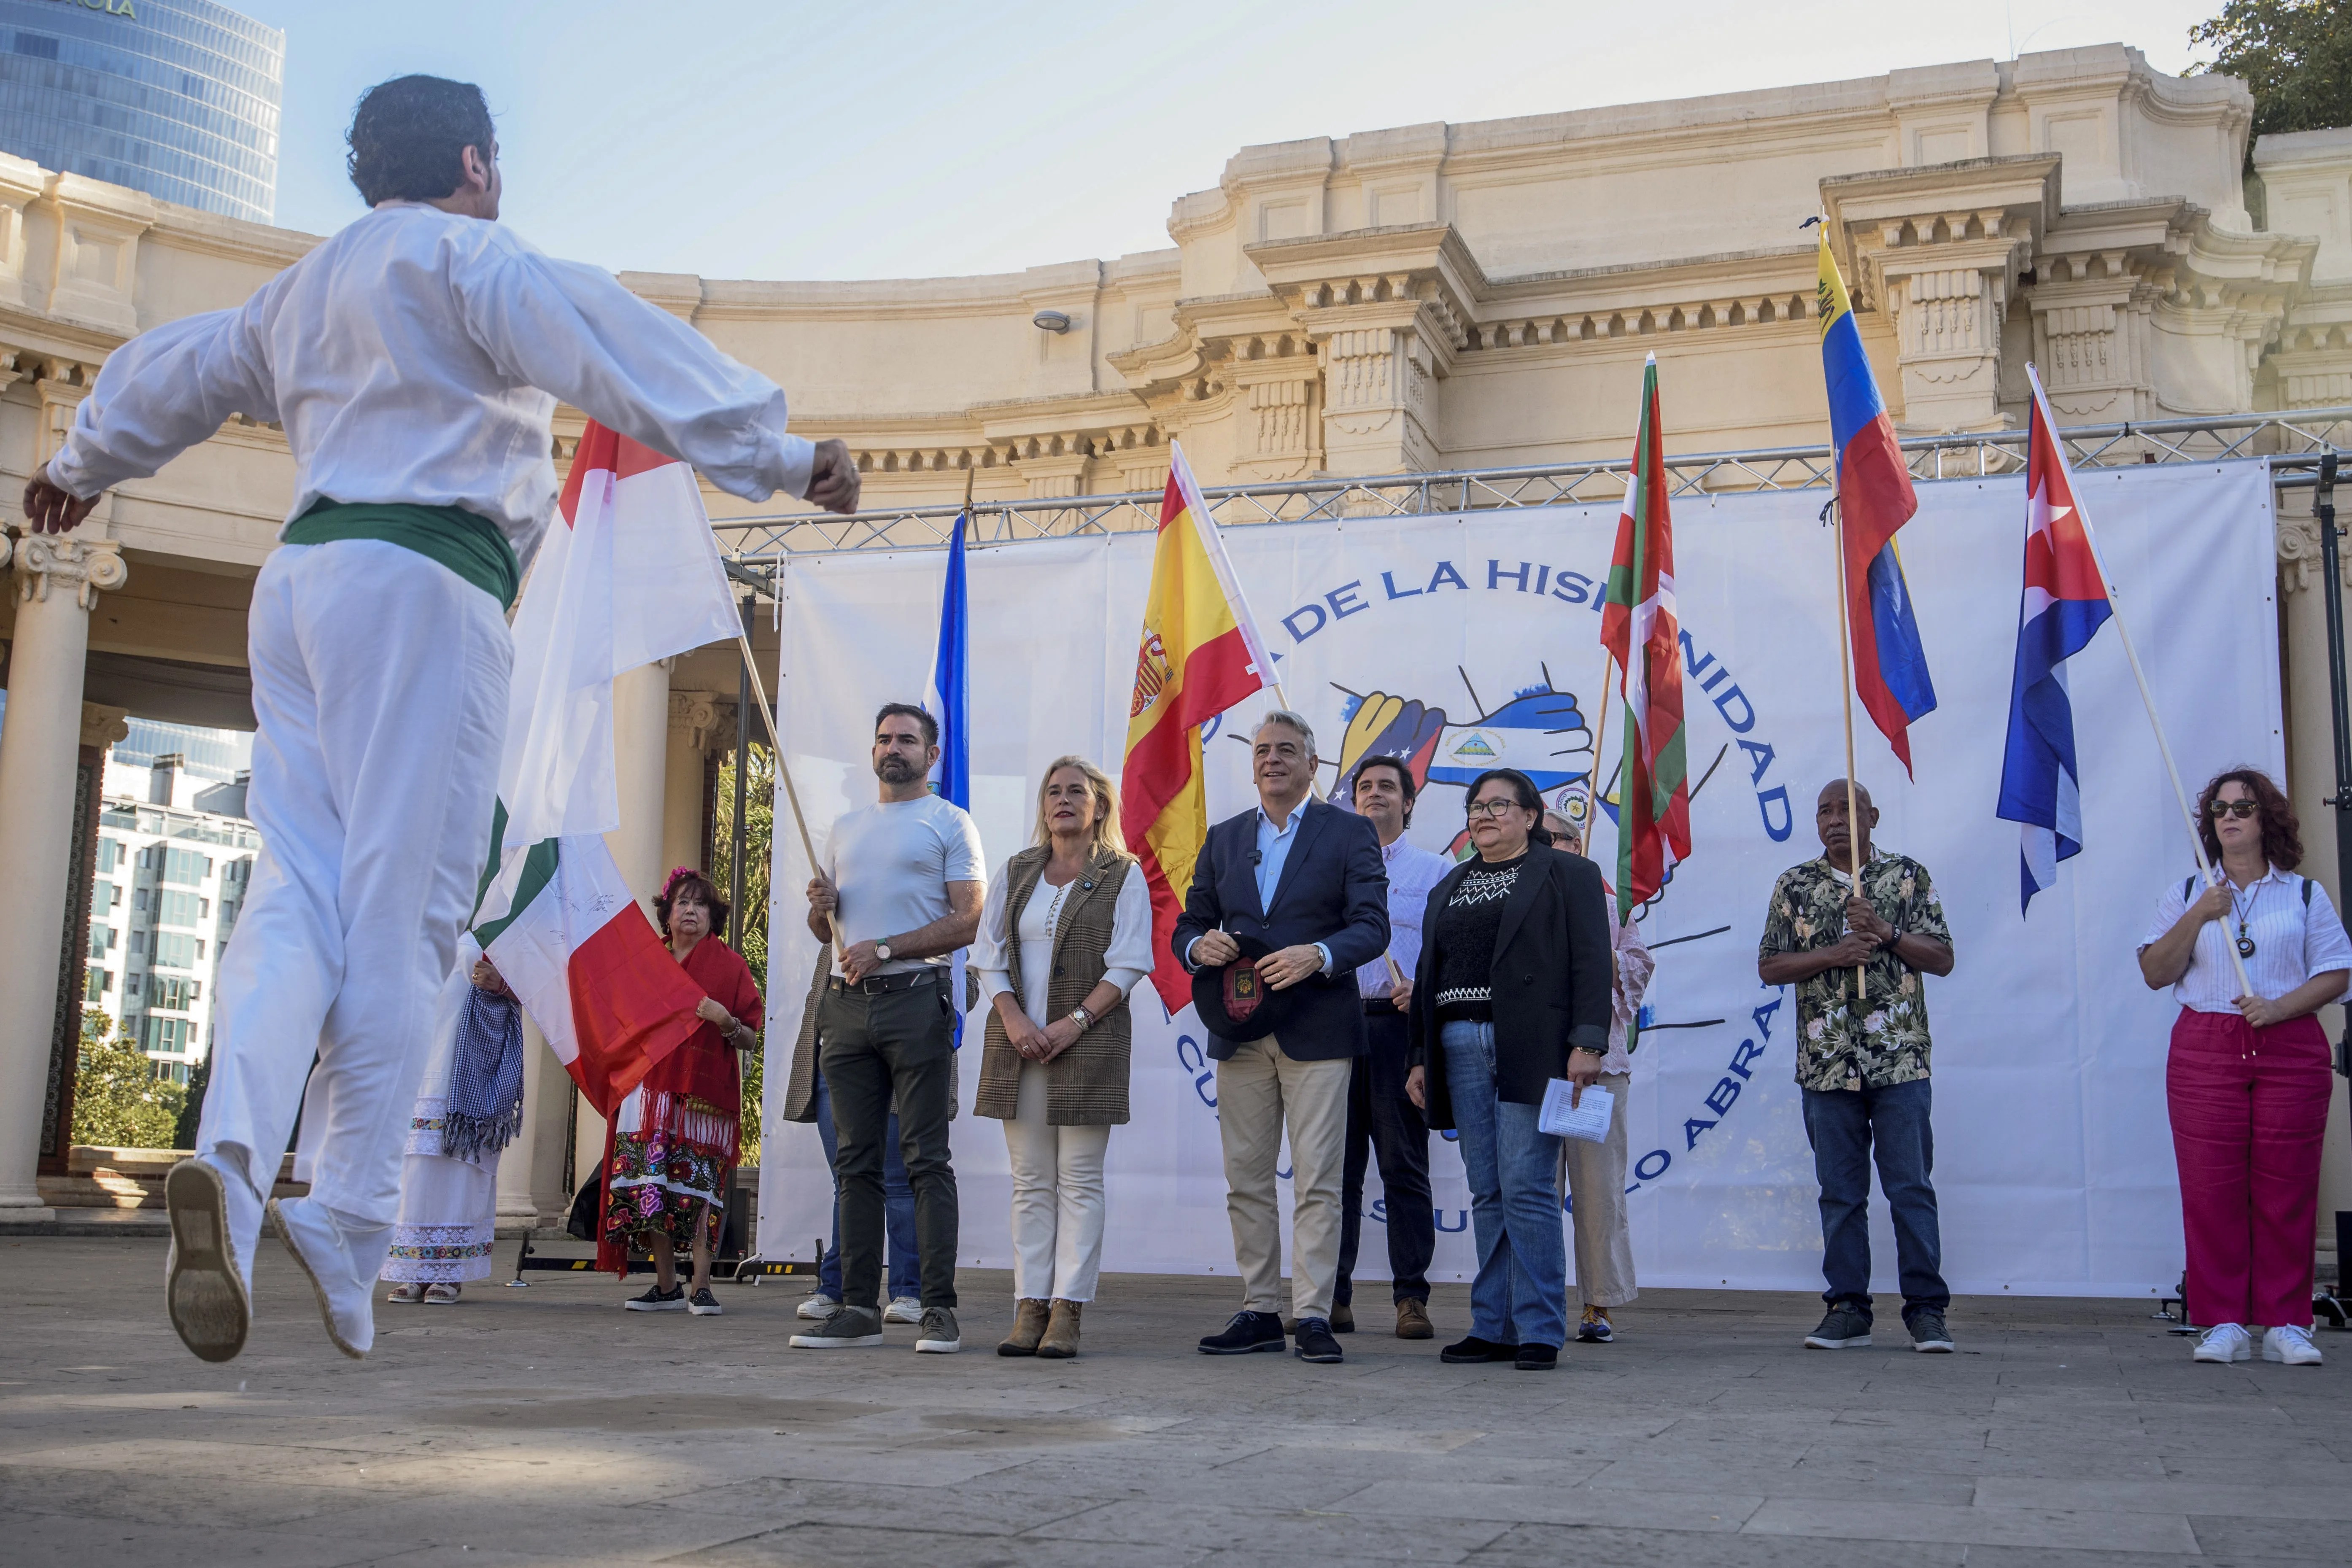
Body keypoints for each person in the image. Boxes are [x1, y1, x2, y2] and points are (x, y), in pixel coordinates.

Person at [23, 75, 860, 1363]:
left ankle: (236, 1155)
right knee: (409, 911)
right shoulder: (471, 260)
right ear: (474, 162)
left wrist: (81, 461)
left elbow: (177, 372)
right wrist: (783, 455)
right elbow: (615, 346)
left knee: (295, 884)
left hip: (298, 585)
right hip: (426, 584)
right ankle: (349, 1211)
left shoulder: (300, 289)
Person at [1176, 711, 1389, 1366]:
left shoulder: (1350, 832)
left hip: (1319, 1028)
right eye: (1263, 750)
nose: (1272, 759)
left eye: (1287, 750)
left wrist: (1318, 955)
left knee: (1321, 1180)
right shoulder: (1225, 837)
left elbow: (1372, 926)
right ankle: (1260, 1307)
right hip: (1240, 1031)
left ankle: (1315, 1313)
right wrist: (1195, 946)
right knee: (1246, 1176)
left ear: (1313, 763)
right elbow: (1190, 920)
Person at [2137, 768, 2350, 1367]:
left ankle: (2288, 1319)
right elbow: (2156, 970)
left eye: (2245, 806)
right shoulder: (2188, 892)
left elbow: (2338, 971)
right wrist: (2202, 913)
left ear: (2266, 819)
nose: (2230, 816)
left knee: (2288, 1181)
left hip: (2287, 1042)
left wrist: (2281, 1005)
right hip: (2207, 1043)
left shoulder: (2303, 893)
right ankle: (2222, 1318)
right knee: (2212, 1186)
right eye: (2220, 809)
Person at [790, 704, 985, 1354]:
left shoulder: (950, 823)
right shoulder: (845, 828)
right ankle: (855, 1307)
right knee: (855, 1162)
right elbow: (832, 933)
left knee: (926, 1159)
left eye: (907, 739)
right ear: (872, 751)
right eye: (883, 738)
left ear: (932, 754)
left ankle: (936, 1307)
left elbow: (968, 921)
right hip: (846, 1007)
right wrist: (823, 913)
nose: (892, 748)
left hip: (916, 998)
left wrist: (887, 947)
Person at [1404, 769, 1612, 1371]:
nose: (1485, 814)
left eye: (1500, 804)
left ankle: (1540, 1327)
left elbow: (1592, 963)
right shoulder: (1451, 884)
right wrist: (1419, 1054)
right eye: (1476, 805)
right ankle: (1492, 1323)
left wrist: (1588, 1042)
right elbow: (1428, 976)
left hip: (1533, 1045)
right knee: (1488, 1188)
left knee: (1526, 1184)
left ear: (1531, 815)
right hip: (1458, 1044)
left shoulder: (1570, 873)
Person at [1757, 780, 1956, 1354]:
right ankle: (1848, 1307)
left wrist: (1887, 933)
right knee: (1840, 1192)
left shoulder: (1906, 876)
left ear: (1874, 814)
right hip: (1825, 1064)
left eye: (1846, 809)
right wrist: (1834, 954)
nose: (1835, 819)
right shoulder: (1794, 883)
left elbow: (1942, 956)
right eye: (1824, 810)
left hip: (1899, 1061)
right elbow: (1770, 966)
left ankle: (1926, 1311)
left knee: (1910, 1188)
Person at [972, 757, 1153, 1359]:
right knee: (1029, 1182)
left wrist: (1073, 1024)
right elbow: (989, 955)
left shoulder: (1121, 873)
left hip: (1089, 1041)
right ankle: (1030, 1306)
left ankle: (1068, 1309)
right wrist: (1016, 1020)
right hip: (1018, 1044)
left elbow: (1129, 964)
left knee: (1078, 1179)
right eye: (1053, 791)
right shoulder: (1017, 869)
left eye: (1077, 791)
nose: (1063, 800)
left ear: (1100, 805)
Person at [603, 869, 763, 1315]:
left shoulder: (731, 966)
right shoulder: (647, 962)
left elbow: (750, 1035)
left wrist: (723, 1019)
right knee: (651, 1184)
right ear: (667, 914)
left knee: (701, 1188)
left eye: (700, 904)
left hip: (702, 1097)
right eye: (682, 903)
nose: (691, 910)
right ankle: (667, 1284)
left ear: (713, 917)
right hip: (648, 1089)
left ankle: (702, 1285)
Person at [1333, 756, 1452, 1341]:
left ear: (1409, 800)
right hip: (1333, 1031)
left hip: (1397, 1030)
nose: (1374, 794)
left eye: (1387, 787)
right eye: (1364, 787)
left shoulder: (1437, 870)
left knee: (1404, 1166)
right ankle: (1330, 1296)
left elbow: (1451, 954)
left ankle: (1412, 1297)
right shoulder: (1330, 869)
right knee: (1334, 1173)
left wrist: (1425, 992)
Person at [1543, 810, 1655, 1344]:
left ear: (1575, 843)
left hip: (1594, 1071)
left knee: (1596, 1190)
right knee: (1533, 1190)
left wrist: (1597, 953)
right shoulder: (1511, 902)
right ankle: (1534, 1299)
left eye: (1550, 839)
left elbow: (1637, 968)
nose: (1542, 846)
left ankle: (1597, 1303)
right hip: (1532, 1074)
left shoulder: (1608, 905)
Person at [381, 943, 525, 1305]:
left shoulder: (497, 917)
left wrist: (504, 985)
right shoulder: (425, 918)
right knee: (416, 1168)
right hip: (419, 1058)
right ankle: (413, 1269)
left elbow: (542, 988)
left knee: (460, 1166)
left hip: (470, 1067)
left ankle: (450, 1271)